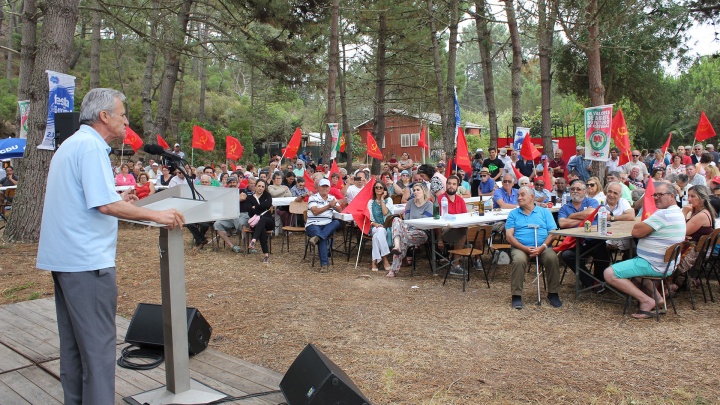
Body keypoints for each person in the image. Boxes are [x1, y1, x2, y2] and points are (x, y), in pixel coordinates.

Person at [37, 88, 184, 404]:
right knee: (100, 351)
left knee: (74, 347)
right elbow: (104, 207)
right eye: (121, 114)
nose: (126, 120)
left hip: (66, 260)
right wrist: (156, 215)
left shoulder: (71, 145)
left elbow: (91, 201)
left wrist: (118, 199)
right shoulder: (91, 147)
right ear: (104, 116)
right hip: (87, 263)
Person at [604, 181, 686, 319]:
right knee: (634, 267)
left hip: (654, 264)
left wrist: (644, 229)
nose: (656, 197)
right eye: (655, 195)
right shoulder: (677, 212)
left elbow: (636, 232)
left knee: (609, 273)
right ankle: (658, 298)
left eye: (661, 195)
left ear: (672, 196)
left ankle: (646, 300)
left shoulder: (664, 214)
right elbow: (641, 230)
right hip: (666, 264)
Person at [505, 186, 562, 309]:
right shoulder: (514, 213)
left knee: (552, 257)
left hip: (543, 246)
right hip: (520, 247)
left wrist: (542, 247)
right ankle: (516, 295)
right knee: (519, 260)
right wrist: (524, 248)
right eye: (518, 195)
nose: (519, 198)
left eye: (522, 195)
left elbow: (552, 233)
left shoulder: (545, 212)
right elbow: (509, 236)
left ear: (532, 197)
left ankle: (553, 293)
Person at [558, 180, 611, 289]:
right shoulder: (564, 208)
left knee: (601, 249)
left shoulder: (591, 201)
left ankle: (602, 281)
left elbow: (592, 212)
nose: (575, 191)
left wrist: (571, 216)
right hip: (575, 241)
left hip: (593, 239)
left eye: (578, 189)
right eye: (572, 189)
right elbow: (562, 223)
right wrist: (585, 220)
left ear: (585, 191)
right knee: (566, 255)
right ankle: (592, 282)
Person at [667, 185, 715, 294]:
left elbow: (681, 231)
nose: (689, 199)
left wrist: (684, 212)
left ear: (702, 198)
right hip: (696, 251)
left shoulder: (702, 215)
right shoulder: (701, 211)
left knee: (663, 256)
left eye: (693, 196)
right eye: (688, 196)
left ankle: (668, 286)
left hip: (692, 254)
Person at [388, 182, 433, 277]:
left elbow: (425, 223)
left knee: (401, 238)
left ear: (423, 191)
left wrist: (407, 229)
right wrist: (406, 229)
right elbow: (407, 220)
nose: (415, 192)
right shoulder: (410, 203)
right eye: (414, 190)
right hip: (408, 230)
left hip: (421, 232)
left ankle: (393, 269)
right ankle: (397, 246)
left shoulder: (429, 205)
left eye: (418, 190)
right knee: (396, 219)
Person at [305, 179, 344, 273]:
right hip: (313, 224)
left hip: (327, 225)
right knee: (323, 238)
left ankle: (317, 237)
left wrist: (334, 205)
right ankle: (324, 264)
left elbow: (340, 210)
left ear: (329, 188)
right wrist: (329, 206)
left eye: (326, 186)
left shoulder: (332, 198)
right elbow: (315, 212)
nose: (325, 188)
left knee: (337, 222)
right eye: (323, 186)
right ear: (318, 187)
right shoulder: (313, 197)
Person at [435, 176, 468, 274]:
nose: (451, 186)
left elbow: (464, 217)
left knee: (478, 229)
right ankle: (455, 265)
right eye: (449, 183)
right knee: (462, 233)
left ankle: (477, 260)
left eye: (454, 184)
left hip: (459, 227)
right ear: (446, 185)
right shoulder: (440, 199)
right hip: (445, 230)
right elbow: (436, 221)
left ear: (457, 186)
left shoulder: (460, 200)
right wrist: (440, 239)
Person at [243, 179, 273, 264]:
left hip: (269, 221)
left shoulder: (267, 195)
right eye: (259, 186)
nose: (260, 188)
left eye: (263, 187)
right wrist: (262, 208)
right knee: (262, 229)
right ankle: (266, 255)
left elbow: (268, 205)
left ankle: (254, 239)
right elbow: (249, 210)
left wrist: (255, 207)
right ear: (255, 187)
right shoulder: (249, 198)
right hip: (257, 223)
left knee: (262, 219)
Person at [367, 181, 394, 271]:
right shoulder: (370, 202)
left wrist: (382, 199)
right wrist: (375, 224)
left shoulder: (388, 200)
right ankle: (385, 259)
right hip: (374, 226)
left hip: (386, 226)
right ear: (374, 189)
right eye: (376, 187)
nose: (378, 189)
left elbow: (386, 213)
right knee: (379, 230)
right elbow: (370, 219)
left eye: (381, 187)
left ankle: (374, 262)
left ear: (384, 189)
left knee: (377, 236)